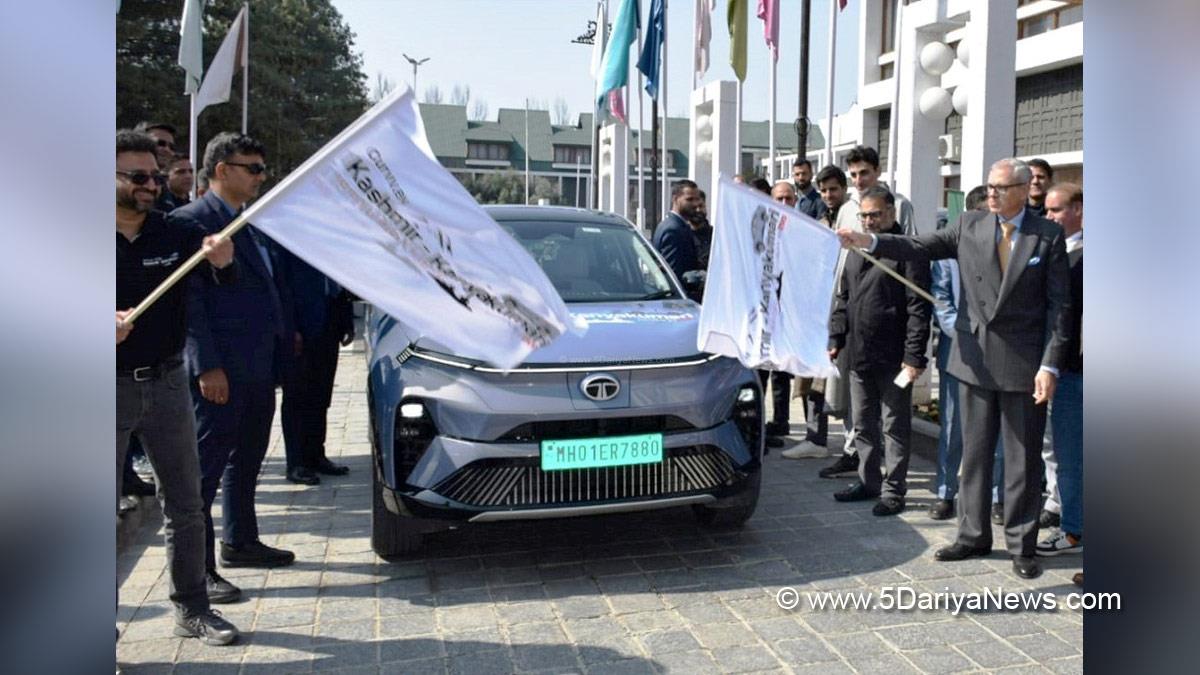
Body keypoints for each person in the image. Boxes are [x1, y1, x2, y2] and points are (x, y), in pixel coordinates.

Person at [836, 158, 1072, 580]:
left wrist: (1049, 365)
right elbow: (918, 246)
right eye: (990, 186)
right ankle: (972, 535)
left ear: (1022, 189)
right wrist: (870, 241)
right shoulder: (970, 224)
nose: (993, 193)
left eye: (1001, 187)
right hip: (972, 360)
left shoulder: (1047, 235)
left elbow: (1059, 308)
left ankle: (1021, 544)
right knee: (975, 454)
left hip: (1023, 365)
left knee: (1021, 461)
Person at [115, 129, 239, 645]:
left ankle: (192, 607)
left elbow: (215, 292)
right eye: (137, 176)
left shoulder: (174, 231)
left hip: (167, 385)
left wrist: (222, 262)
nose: (150, 185)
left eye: (155, 175)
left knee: (186, 505)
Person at [171, 132, 299, 600]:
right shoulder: (189, 222)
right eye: (253, 168)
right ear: (221, 170)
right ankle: (198, 569)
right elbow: (191, 305)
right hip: (220, 371)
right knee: (203, 473)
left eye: (262, 168)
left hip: (257, 365)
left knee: (248, 457)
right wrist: (207, 367)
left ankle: (240, 539)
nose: (261, 177)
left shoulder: (248, 221)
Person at [828, 187, 931, 516]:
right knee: (862, 424)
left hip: (894, 360)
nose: (869, 221)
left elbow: (918, 309)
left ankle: (894, 490)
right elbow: (844, 297)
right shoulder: (857, 248)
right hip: (858, 356)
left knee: (894, 426)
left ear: (892, 214)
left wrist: (914, 357)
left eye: (876, 214)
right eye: (864, 215)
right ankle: (868, 481)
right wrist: (836, 336)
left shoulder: (908, 250)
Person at [929, 185, 1007, 522]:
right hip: (957, 349)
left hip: (1000, 353)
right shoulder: (947, 257)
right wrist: (965, 335)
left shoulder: (1006, 250)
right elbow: (941, 302)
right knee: (952, 425)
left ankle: (996, 497)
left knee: (1000, 431)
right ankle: (947, 492)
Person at [784, 165, 850, 461]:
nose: (827, 195)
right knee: (811, 373)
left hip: (846, 309)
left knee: (847, 383)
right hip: (818, 310)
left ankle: (855, 450)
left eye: (833, 189)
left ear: (843, 189)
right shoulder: (820, 219)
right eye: (823, 191)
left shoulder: (853, 218)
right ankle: (815, 438)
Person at [1036, 183, 1083, 557]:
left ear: (1078, 210)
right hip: (1062, 372)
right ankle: (1074, 531)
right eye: (1046, 211)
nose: (1048, 217)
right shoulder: (1048, 251)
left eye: (1056, 210)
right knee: (1068, 457)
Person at [280, 251, 355, 486]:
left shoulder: (323, 234)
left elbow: (339, 280)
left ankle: (316, 455)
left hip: (329, 319)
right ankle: (297, 462)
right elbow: (281, 285)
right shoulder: (285, 236)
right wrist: (290, 328)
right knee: (297, 396)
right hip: (301, 324)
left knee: (321, 393)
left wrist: (346, 320)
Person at [757, 181, 799, 448]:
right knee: (759, 373)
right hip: (763, 312)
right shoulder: (761, 230)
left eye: (788, 199)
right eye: (779, 199)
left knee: (782, 373)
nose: (784, 204)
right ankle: (757, 425)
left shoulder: (803, 231)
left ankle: (781, 423)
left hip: (789, 313)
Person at [651, 180, 703, 281]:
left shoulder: (679, 226)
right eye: (689, 199)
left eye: (697, 199)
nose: (695, 204)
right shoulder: (673, 230)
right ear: (675, 199)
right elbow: (672, 275)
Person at [689, 189, 713, 273]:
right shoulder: (682, 235)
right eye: (694, 207)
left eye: (701, 206)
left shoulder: (715, 236)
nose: (698, 210)